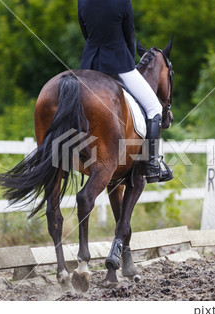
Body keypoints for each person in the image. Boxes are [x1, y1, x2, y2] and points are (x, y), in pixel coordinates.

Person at [78, 0, 172, 183]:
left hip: (90, 65)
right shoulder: (122, 2)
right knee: (154, 108)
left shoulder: (82, 1)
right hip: (119, 63)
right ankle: (152, 165)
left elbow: (86, 33)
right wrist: (128, 61)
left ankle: (63, 159)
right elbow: (129, 35)